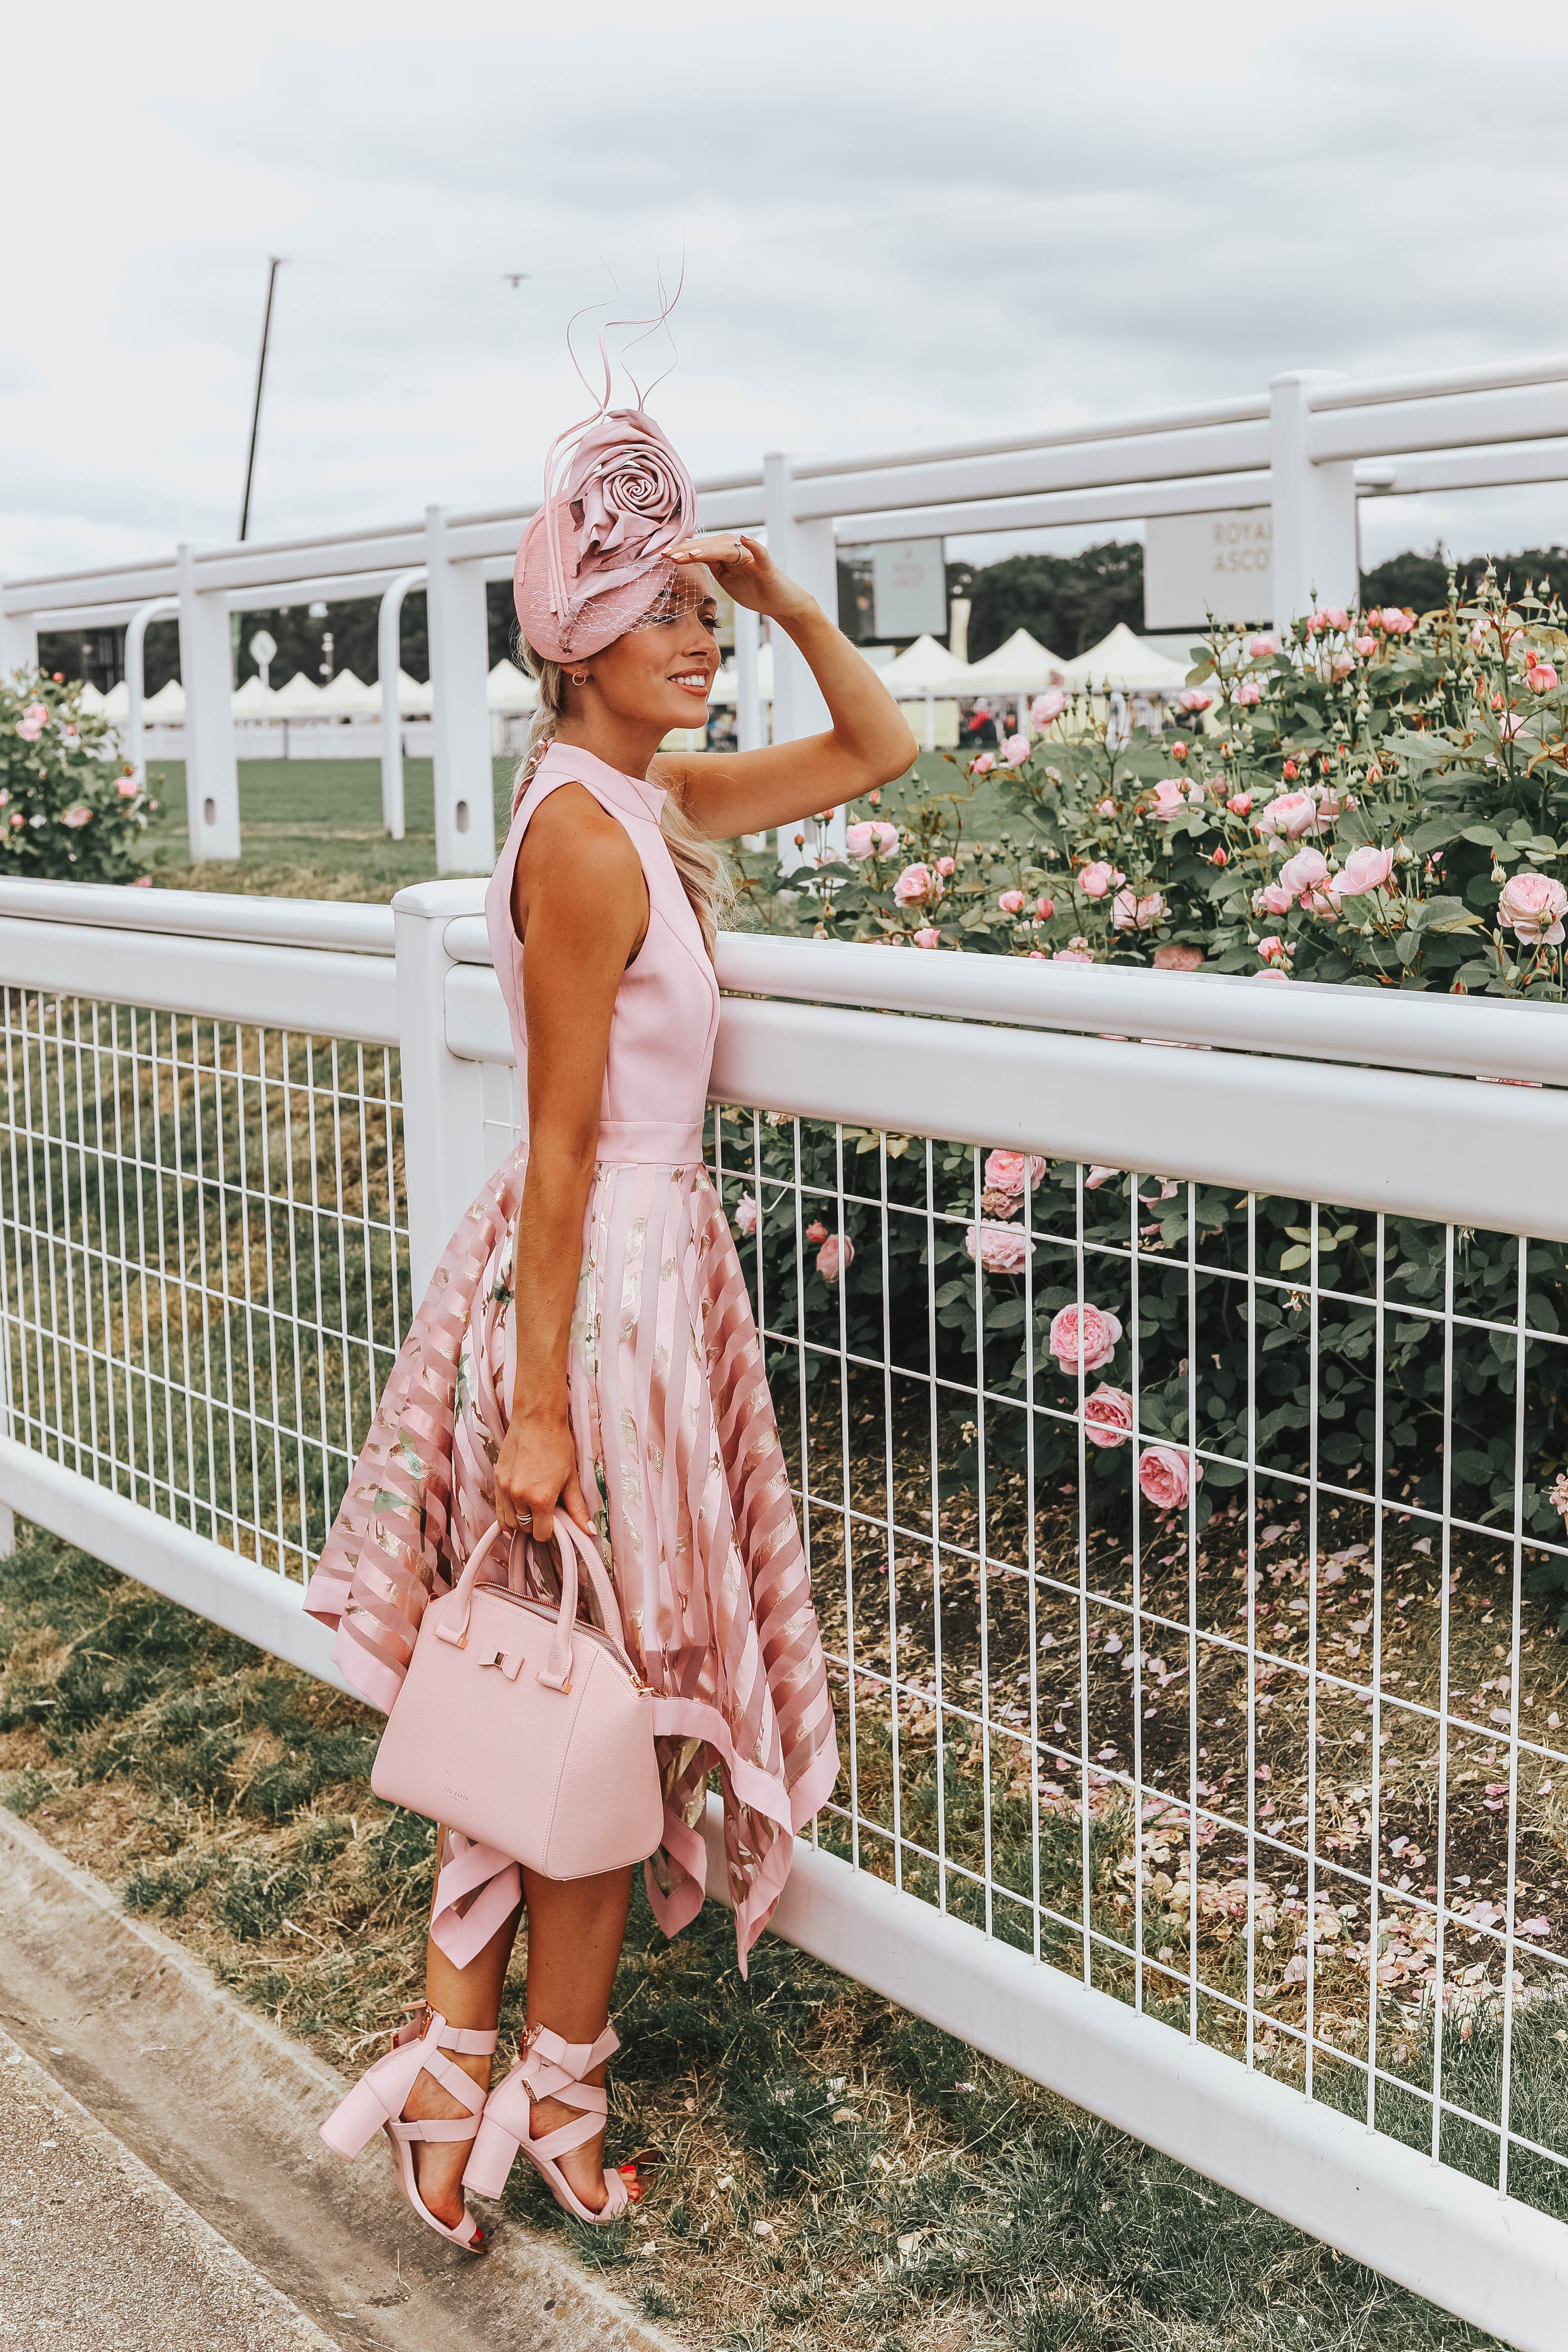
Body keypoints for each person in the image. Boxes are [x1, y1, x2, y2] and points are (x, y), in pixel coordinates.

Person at [304, 397, 917, 2247]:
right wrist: (543, 1411)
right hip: (603, 1299)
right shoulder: (581, 840)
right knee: (584, 1698)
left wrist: (788, 601)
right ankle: (509, 2086)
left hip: (655, 1290)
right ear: (577, 637)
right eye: (665, 616)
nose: (698, 645)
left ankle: (481, 2077)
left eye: (704, 622)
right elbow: (559, 1148)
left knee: (594, 1703)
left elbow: (879, 749)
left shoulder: (642, 806)